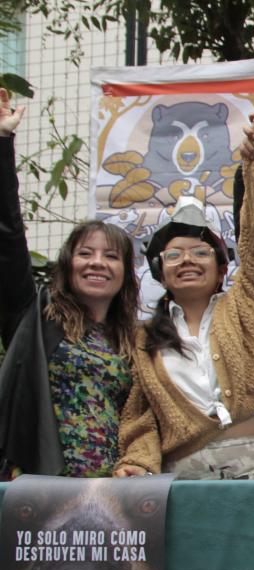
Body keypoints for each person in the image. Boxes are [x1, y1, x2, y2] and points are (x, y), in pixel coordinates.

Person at [114, 110, 254, 479]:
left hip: (253, 467)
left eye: (200, 252)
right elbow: (140, 415)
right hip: (182, 475)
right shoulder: (143, 338)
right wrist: (136, 462)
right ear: (161, 271)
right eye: (174, 255)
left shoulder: (248, 306)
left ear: (222, 267)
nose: (187, 260)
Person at [0, 89, 139, 479]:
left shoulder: (130, 339)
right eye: (85, 254)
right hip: (38, 488)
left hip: (110, 494)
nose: (97, 263)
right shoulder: (36, 316)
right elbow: (8, 239)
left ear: (126, 273)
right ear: (68, 264)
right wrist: (2, 143)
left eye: (111, 256)